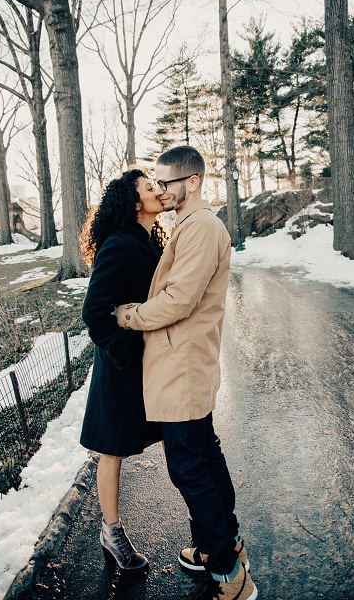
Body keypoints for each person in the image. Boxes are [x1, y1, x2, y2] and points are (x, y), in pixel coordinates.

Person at [114, 145, 256, 600]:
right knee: (204, 457)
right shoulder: (190, 225)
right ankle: (222, 542)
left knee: (189, 468)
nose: (159, 190)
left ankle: (229, 574)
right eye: (154, 183)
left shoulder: (200, 228)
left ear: (191, 182)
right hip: (185, 362)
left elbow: (179, 300)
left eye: (166, 183)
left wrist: (129, 315)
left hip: (183, 365)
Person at [79, 169, 167, 572]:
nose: (159, 190)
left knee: (177, 438)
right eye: (150, 188)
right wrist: (127, 353)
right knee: (112, 450)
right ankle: (111, 532)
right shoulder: (119, 245)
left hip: (152, 364)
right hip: (122, 366)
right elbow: (95, 313)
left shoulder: (151, 241)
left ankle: (204, 527)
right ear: (133, 202)